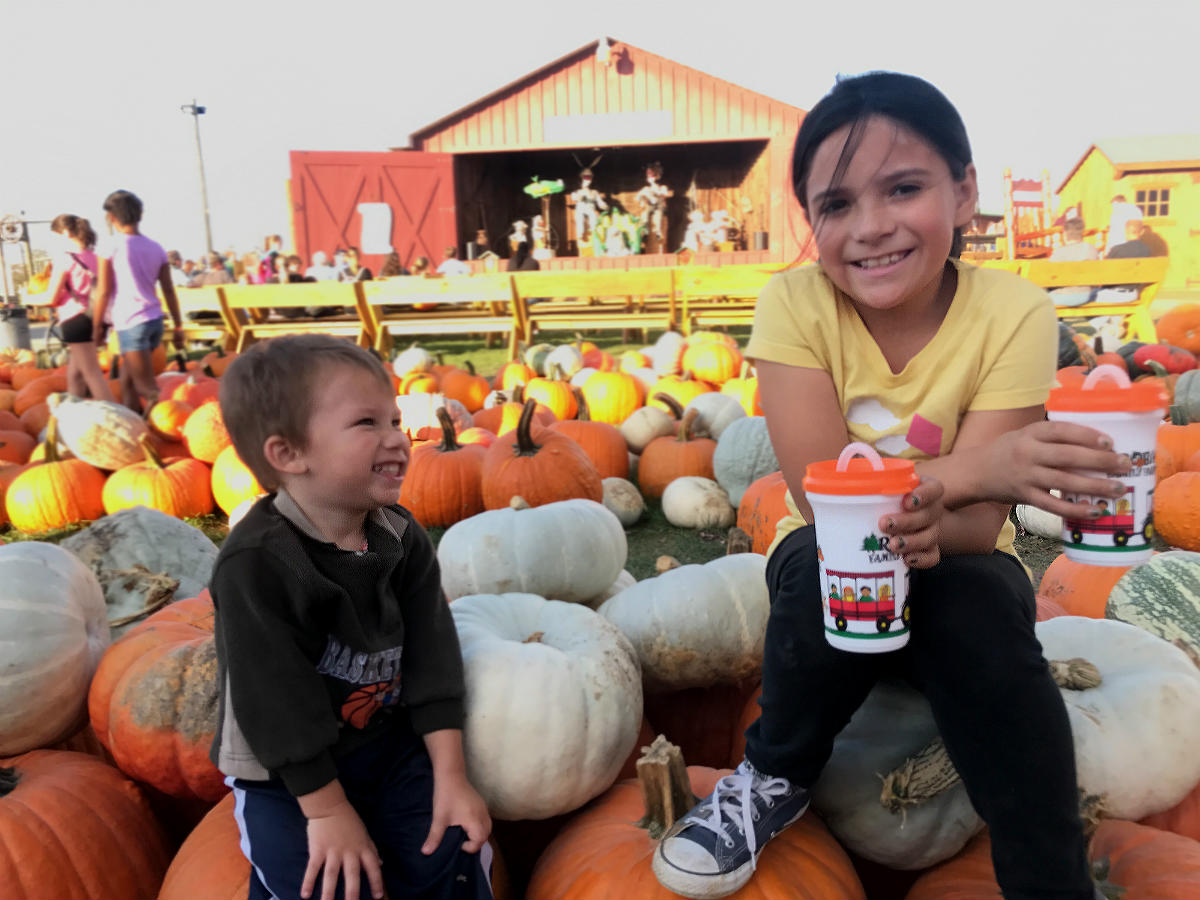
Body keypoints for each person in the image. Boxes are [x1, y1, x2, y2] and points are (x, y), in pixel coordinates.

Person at [652, 72, 1119, 900]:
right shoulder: (794, 305)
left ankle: (1049, 873)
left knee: (975, 604)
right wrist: (983, 469)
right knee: (817, 566)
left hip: (967, 570)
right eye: (835, 205)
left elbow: (973, 533)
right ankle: (775, 775)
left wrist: (969, 493)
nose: (871, 228)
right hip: (827, 578)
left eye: (903, 188)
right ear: (810, 221)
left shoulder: (1013, 312)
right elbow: (826, 502)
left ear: (965, 192)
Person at [210, 335, 494, 900]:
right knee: (328, 884)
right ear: (289, 455)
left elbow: (433, 654)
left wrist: (451, 775)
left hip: (384, 746)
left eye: (394, 416)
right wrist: (327, 812)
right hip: (288, 778)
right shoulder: (257, 565)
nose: (398, 436)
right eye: (368, 423)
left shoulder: (399, 533)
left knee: (454, 849)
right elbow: (277, 709)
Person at [92, 189, 185, 415]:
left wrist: (95, 327)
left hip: (131, 322)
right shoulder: (156, 248)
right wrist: (178, 324)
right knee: (127, 381)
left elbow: (103, 291)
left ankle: (170, 421)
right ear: (140, 215)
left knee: (147, 387)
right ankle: (134, 421)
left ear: (111, 218)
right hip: (154, 321)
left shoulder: (110, 247)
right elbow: (169, 290)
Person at [42, 214, 115, 401]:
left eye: (54, 237)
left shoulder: (65, 259)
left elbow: (51, 297)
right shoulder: (98, 257)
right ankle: (73, 410)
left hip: (75, 318)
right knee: (75, 374)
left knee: (92, 374)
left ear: (65, 234)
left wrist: (26, 298)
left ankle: (114, 417)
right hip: (97, 315)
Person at [1048, 216, 1099, 307]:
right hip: (1085, 295)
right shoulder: (1091, 249)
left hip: (1062, 296)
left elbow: (1048, 277)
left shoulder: (1059, 252)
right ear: (1082, 233)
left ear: (1065, 234)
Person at [568, 168, 608, 247]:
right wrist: (583, 190)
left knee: (593, 216)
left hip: (591, 209)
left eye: (589, 177)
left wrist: (604, 206)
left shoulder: (594, 192)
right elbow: (575, 198)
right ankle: (580, 234)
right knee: (580, 218)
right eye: (585, 177)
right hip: (581, 209)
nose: (587, 180)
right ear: (581, 178)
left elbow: (600, 202)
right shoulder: (577, 191)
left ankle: (594, 233)